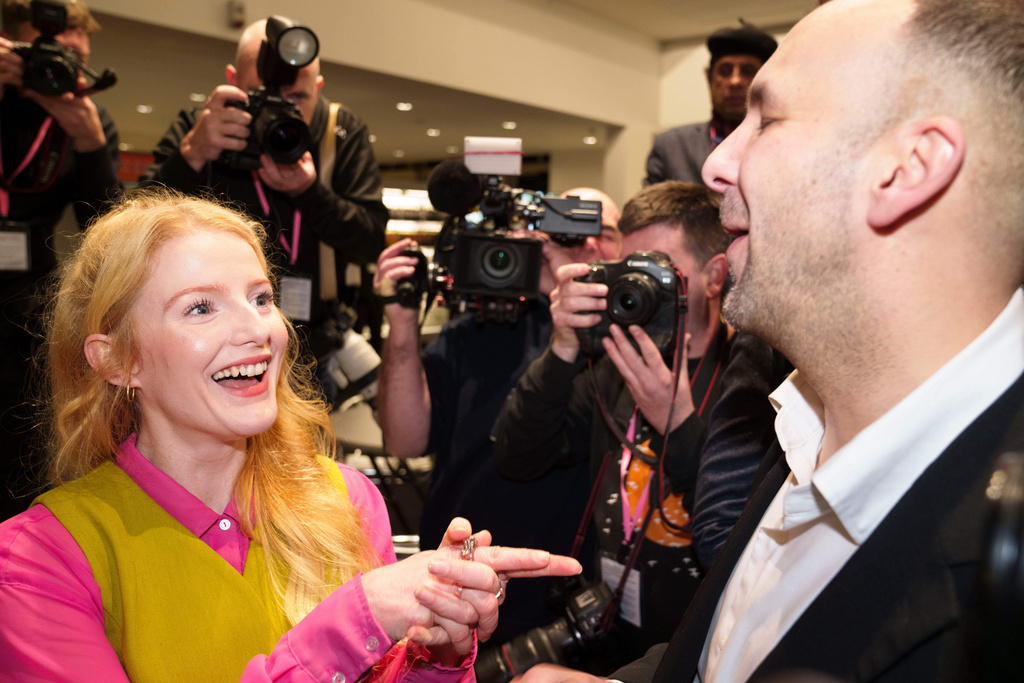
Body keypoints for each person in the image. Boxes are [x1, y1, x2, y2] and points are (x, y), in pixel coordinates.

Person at [520, 0, 1024, 681]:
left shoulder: (995, 579)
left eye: (768, 118)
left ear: (908, 168)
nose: (716, 164)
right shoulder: (797, 421)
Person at [0, 189, 582, 681]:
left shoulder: (348, 500)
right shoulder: (39, 560)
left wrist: (440, 645)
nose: (256, 329)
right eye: (200, 308)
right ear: (117, 361)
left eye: (261, 298)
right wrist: (359, 619)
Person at [493, 181, 775, 668]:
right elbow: (519, 457)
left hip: (694, 640)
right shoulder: (612, 367)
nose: (637, 287)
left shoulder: (749, 377)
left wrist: (679, 423)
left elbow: (740, 536)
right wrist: (562, 348)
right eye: (629, 270)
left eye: (660, 272)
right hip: (607, 622)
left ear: (714, 276)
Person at [375, 187, 621, 645]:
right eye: (562, 234)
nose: (581, 248)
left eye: (597, 232)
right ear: (535, 243)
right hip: (455, 583)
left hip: (562, 602)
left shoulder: (623, 345)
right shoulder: (477, 328)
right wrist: (402, 322)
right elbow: (403, 442)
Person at [138, 16, 388, 401]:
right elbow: (135, 227)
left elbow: (371, 241)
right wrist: (193, 153)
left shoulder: (341, 132)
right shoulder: (202, 126)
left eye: (297, 100)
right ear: (231, 79)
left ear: (318, 89)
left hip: (313, 350)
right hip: (217, 354)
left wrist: (311, 193)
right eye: (260, 96)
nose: (279, 113)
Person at [0, 0, 120, 521]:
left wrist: (93, 146)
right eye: (46, 51)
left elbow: (109, 230)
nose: (58, 66)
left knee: (21, 466)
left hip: (27, 319)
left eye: (74, 51)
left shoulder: (87, 119)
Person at [643, 22, 776, 187]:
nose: (735, 81)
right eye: (725, 71)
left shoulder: (784, 142)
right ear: (709, 78)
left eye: (748, 71)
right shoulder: (671, 145)